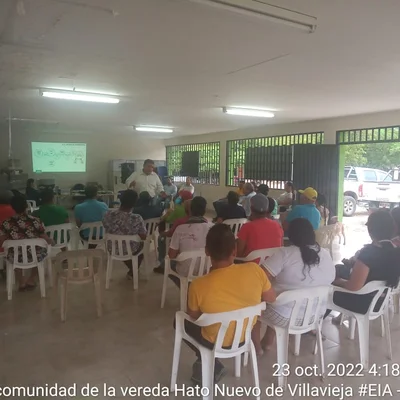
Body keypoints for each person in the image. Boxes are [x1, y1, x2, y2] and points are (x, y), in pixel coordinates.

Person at [185, 224, 276, 384]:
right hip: (244, 336)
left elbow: (194, 316)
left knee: (180, 322)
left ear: (207, 251)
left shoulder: (198, 285)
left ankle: (211, 363)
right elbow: (270, 298)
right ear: (234, 250)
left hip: (214, 342)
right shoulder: (255, 270)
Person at [252, 218, 335, 354]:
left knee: (256, 302)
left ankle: (257, 348)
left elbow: (258, 278)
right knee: (281, 299)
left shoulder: (285, 253)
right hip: (316, 315)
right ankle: (268, 340)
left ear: (290, 235)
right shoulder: (325, 253)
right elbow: (330, 278)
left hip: (286, 318)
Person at [328, 210, 400, 316]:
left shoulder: (369, 253)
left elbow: (354, 286)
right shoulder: (396, 251)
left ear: (371, 230)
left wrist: (337, 281)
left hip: (362, 303)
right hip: (380, 303)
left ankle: (312, 326)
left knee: (325, 290)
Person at [0, 194, 53, 291]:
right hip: (35, 255)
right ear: (26, 206)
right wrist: (50, 241)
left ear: (12, 207)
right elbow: (44, 236)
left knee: (10, 254)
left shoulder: (6, 223)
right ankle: (31, 279)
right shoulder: (35, 220)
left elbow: (2, 240)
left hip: (15, 256)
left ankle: (21, 281)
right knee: (41, 253)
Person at [103, 190, 147, 280]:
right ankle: (133, 270)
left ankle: (132, 270)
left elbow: (106, 226)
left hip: (112, 248)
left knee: (124, 247)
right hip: (131, 249)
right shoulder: (136, 218)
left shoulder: (108, 214)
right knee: (140, 249)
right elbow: (143, 236)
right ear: (135, 202)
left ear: (121, 200)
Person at [168, 196, 213, 284]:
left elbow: (171, 255)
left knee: (168, 265)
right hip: (206, 269)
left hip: (185, 271)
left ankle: (186, 289)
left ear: (190, 211)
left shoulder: (180, 229)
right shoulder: (213, 228)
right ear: (204, 211)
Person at [154, 199, 192, 274]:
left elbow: (170, 233)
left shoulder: (180, 221)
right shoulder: (206, 225)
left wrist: (162, 233)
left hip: (182, 256)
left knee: (161, 239)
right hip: (201, 264)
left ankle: (162, 264)